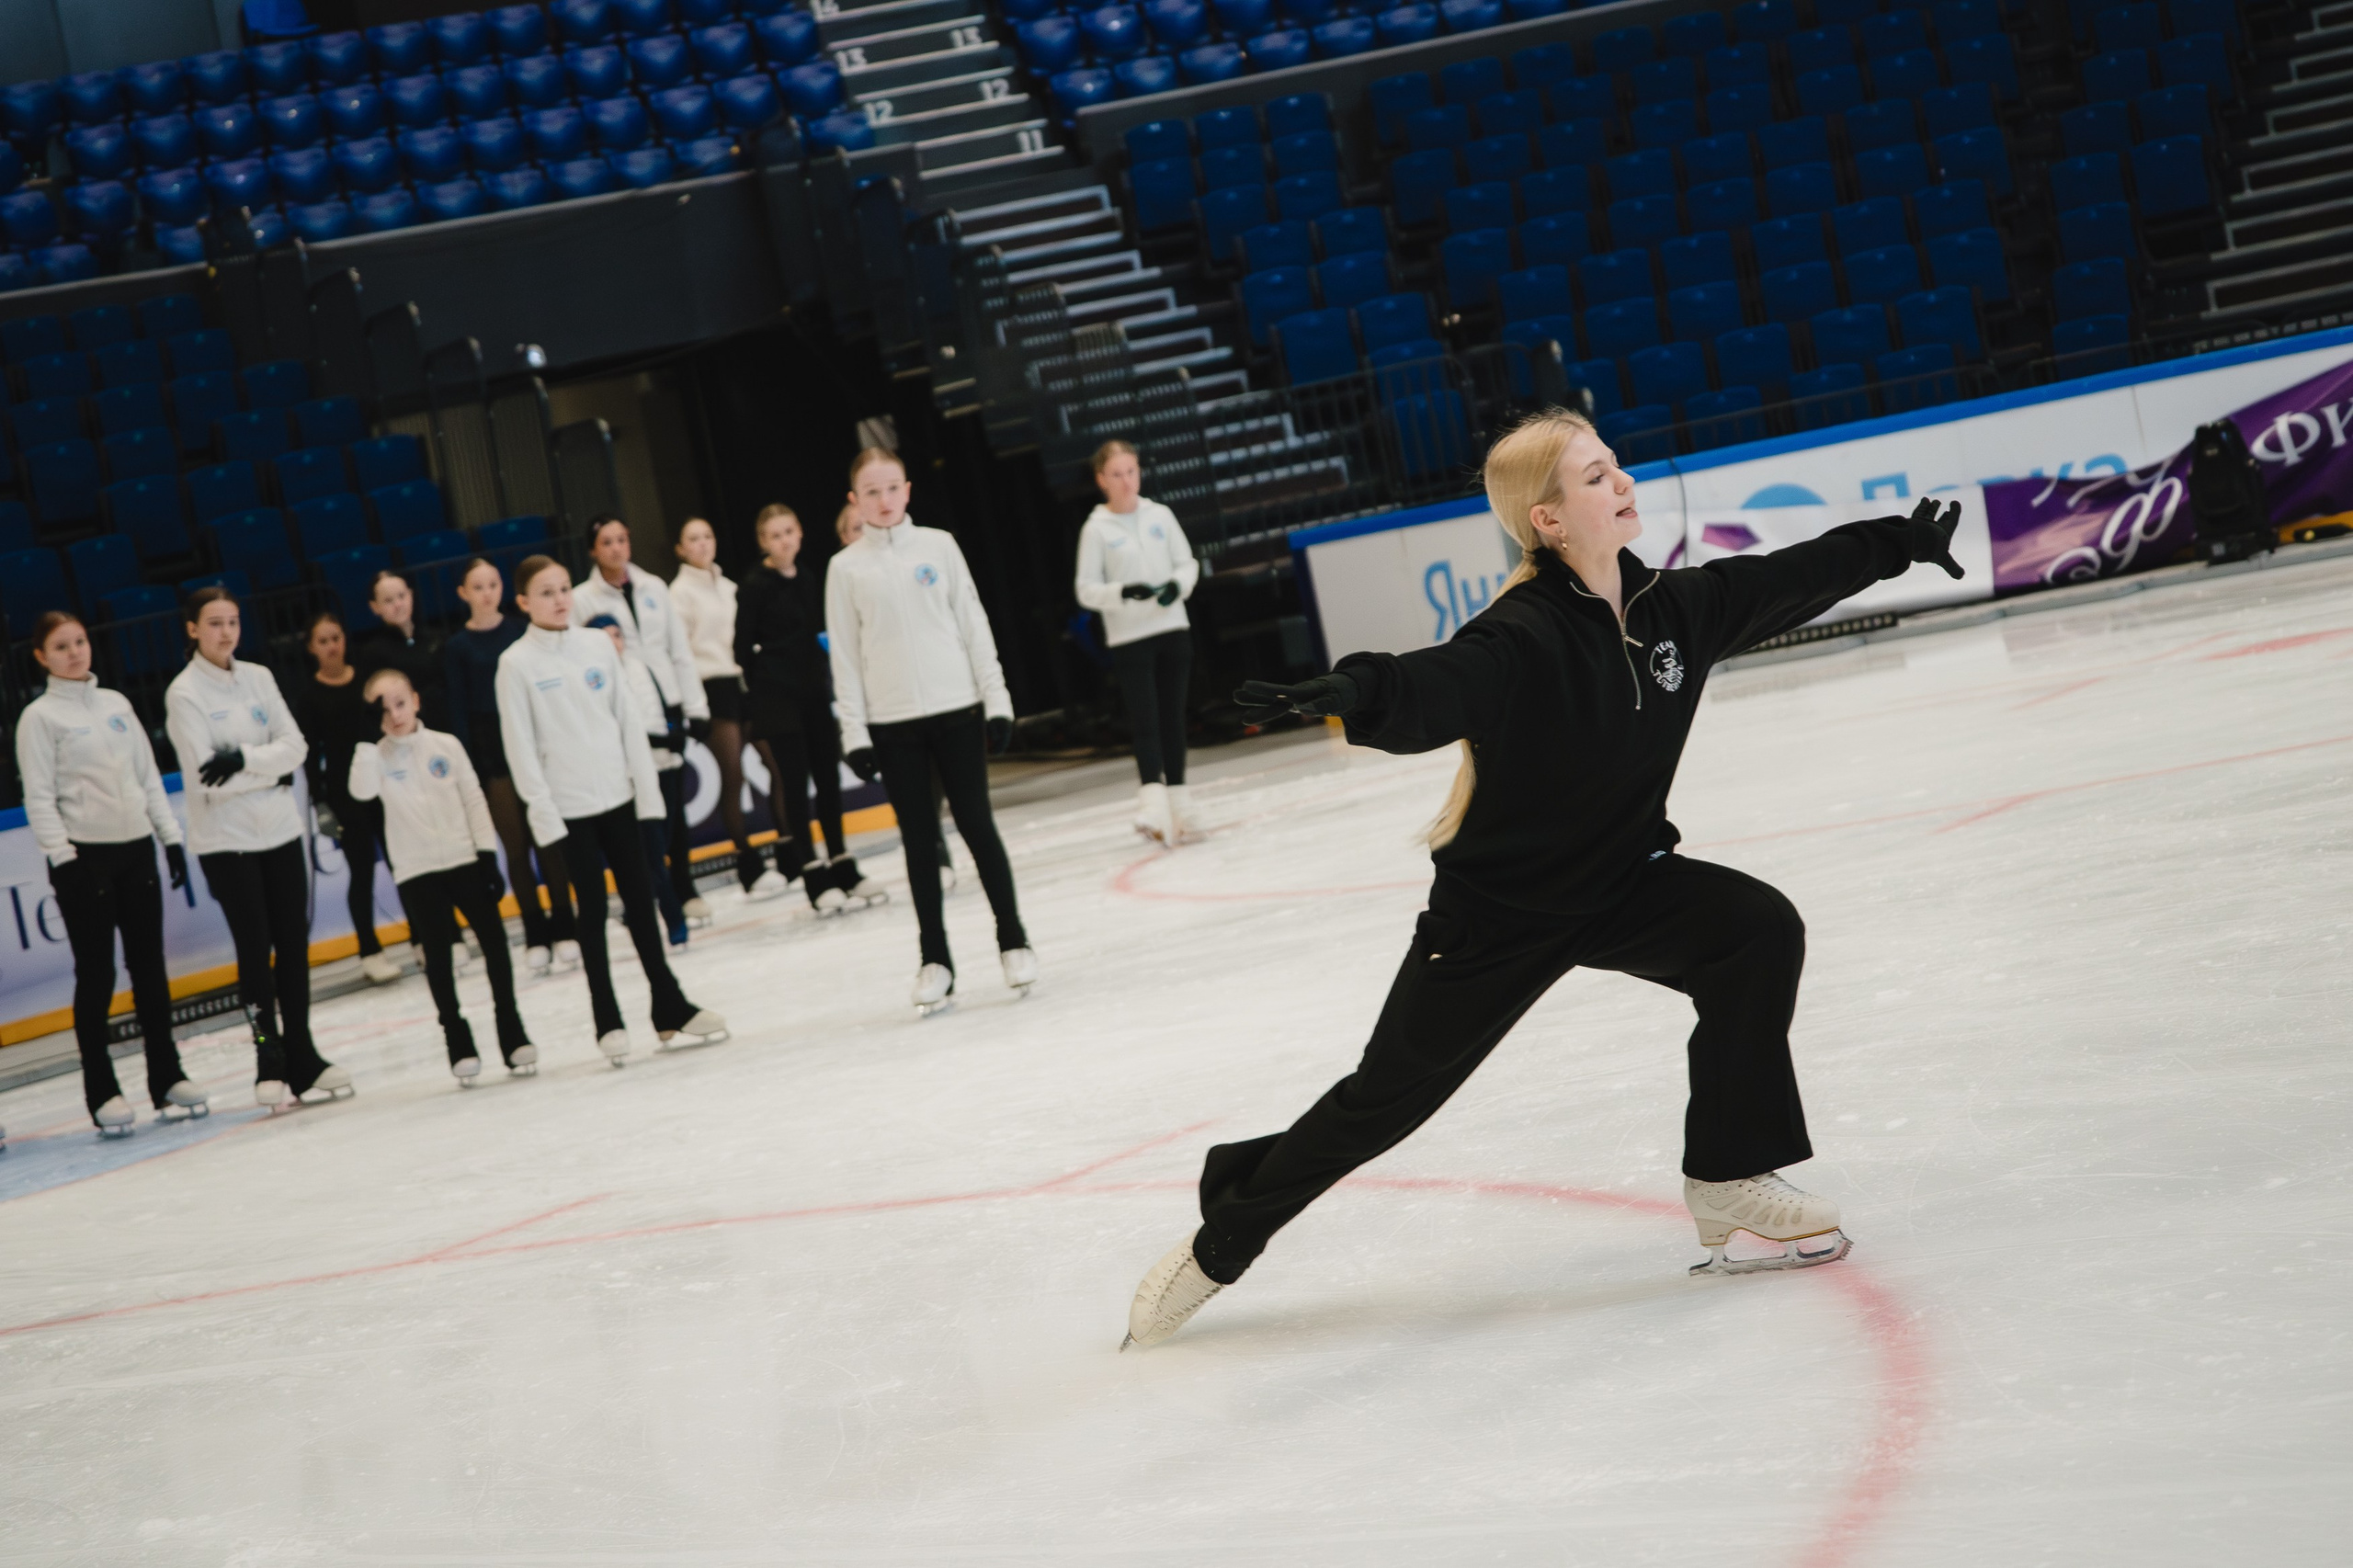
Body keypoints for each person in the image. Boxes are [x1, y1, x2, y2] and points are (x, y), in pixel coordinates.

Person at [1122, 409, 1967, 1349]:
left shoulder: (1673, 611)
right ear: (1549, 519)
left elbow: (1782, 578)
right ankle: (1218, 1242)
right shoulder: (1521, 635)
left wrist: (1896, 543)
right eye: (1597, 476)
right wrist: (1355, 693)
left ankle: (1729, 1171)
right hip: (1498, 917)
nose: (1623, 484)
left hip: (1623, 884)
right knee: (1383, 1101)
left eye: (1615, 468)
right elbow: (1436, 680)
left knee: (1754, 928)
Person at [826, 447, 1034, 1016]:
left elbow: (972, 621)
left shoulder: (939, 546)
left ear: (908, 490)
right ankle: (935, 961)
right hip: (894, 727)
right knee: (920, 844)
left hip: (957, 710)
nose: (884, 500)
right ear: (855, 500)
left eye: (892, 488)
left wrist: (997, 699)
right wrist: (855, 733)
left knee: (977, 826)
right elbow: (844, 657)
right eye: (871, 492)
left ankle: (1013, 940)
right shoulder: (844, 569)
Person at [494, 554, 728, 1062]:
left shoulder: (597, 644)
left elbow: (627, 725)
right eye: (546, 593)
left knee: (642, 901)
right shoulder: (516, 664)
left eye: (563, 589)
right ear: (523, 602)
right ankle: (607, 1017)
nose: (559, 600)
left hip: (620, 799)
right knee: (593, 910)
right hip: (569, 809)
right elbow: (522, 750)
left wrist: (646, 800)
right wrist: (545, 815)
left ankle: (669, 1005)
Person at [15, 611, 203, 1136]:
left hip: (136, 849)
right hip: (85, 860)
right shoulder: (40, 717)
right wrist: (63, 857)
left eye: (79, 642)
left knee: (150, 970)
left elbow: (146, 778)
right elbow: (40, 797)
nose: (74, 652)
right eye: (61, 646)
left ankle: (166, 1076)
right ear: (42, 657)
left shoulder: (117, 705)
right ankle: (102, 1091)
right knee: (97, 976)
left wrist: (169, 838)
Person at [165, 585, 352, 1110]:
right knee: (256, 947)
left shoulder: (260, 678)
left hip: (280, 831)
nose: (226, 632)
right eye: (215, 623)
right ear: (193, 629)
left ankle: (304, 1054)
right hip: (227, 841)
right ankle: (269, 1056)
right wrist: (264, 768)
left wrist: (243, 759)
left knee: (293, 945)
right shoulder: (184, 695)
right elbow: (206, 779)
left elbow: (295, 748)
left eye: (233, 621)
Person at [347, 668, 536, 1085]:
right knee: (438, 954)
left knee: (493, 941)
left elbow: (473, 798)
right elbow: (360, 792)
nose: (394, 714)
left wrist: (487, 855)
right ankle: (456, 1035)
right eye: (382, 709)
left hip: (464, 859)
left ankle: (511, 1027)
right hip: (417, 871)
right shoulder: (374, 757)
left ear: (415, 700)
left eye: (400, 703)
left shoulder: (446, 746)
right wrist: (364, 740)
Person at [738, 503, 884, 914]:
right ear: (764, 542)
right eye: (775, 535)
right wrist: (767, 684)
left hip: (814, 692)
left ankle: (840, 860)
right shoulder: (754, 586)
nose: (784, 541)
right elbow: (741, 648)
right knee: (796, 785)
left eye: (789, 532)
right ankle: (812, 869)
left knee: (827, 776)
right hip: (778, 699)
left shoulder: (808, 577)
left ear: (800, 533)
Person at [443, 556, 580, 974]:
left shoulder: (521, 634)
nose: (488, 593)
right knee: (517, 848)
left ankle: (565, 925)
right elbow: (459, 713)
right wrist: (474, 770)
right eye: (478, 586)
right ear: (463, 594)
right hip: (492, 756)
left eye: (493, 584)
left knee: (549, 841)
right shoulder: (457, 649)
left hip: (534, 748)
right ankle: (535, 931)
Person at [574, 515, 710, 927]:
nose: (616, 548)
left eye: (621, 540)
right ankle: (650, 891)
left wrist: (695, 706)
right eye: (606, 542)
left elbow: (678, 649)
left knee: (673, 807)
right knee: (640, 811)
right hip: (620, 711)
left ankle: (683, 886)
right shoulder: (582, 599)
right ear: (593, 550)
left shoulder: (654, 587)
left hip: (664, 701)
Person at [1073, 439, 1201, 846]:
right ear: (1101, 480)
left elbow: (1188, 563)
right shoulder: (1095, 529)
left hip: (1172, 630)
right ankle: (1152, 803)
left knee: (1173, 718)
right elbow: (1085, 588)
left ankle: (1180, 803)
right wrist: (1122, 593)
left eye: (1131, 471)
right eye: (1117, 474)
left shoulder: (1160, 514)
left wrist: (1176, 587)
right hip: (1130, 638)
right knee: (1145, 722)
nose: (1126, 481)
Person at [668, 517, 781, 901]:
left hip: (743, 683)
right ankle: (747, 861)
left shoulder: (731, 588)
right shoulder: (679, 594)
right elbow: (679, 651)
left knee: (776, 763)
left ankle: (789, 850)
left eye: (707, 536)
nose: (702, 544)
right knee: (733, 775)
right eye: (693, 539)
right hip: (711, 687)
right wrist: (693, 703)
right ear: (680, 549)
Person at [296, 610, 402, 985]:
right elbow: (309, 755)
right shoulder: (309, 697)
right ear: (311, 647)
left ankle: (428, 938)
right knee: (362, 872)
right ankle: (370, 950)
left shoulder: (368, 685)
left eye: (336, 637)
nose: (331, 646)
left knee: (404, 863)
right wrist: (320, 802)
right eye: (323, 640)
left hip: (385, 785)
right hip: (345, 794)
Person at [585, 611, 691, 944]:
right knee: (650, 853)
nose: (614, 642)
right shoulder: (591, 680)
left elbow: (663, 706)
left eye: (618, 634)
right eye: (605, 636)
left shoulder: (641, 668)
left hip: (663, 767)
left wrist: (672, 740)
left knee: (665, 838)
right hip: (627, 778)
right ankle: (673, 919)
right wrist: (658, 741)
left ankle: (639, 913)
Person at [352, 569, 449, 725]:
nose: (398, 604)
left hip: (444, 727)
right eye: (388, 600)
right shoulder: (373, 653)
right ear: (375, 606)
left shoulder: (437, 638)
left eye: (401, 596)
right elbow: (373, 708)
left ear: (410, 595)